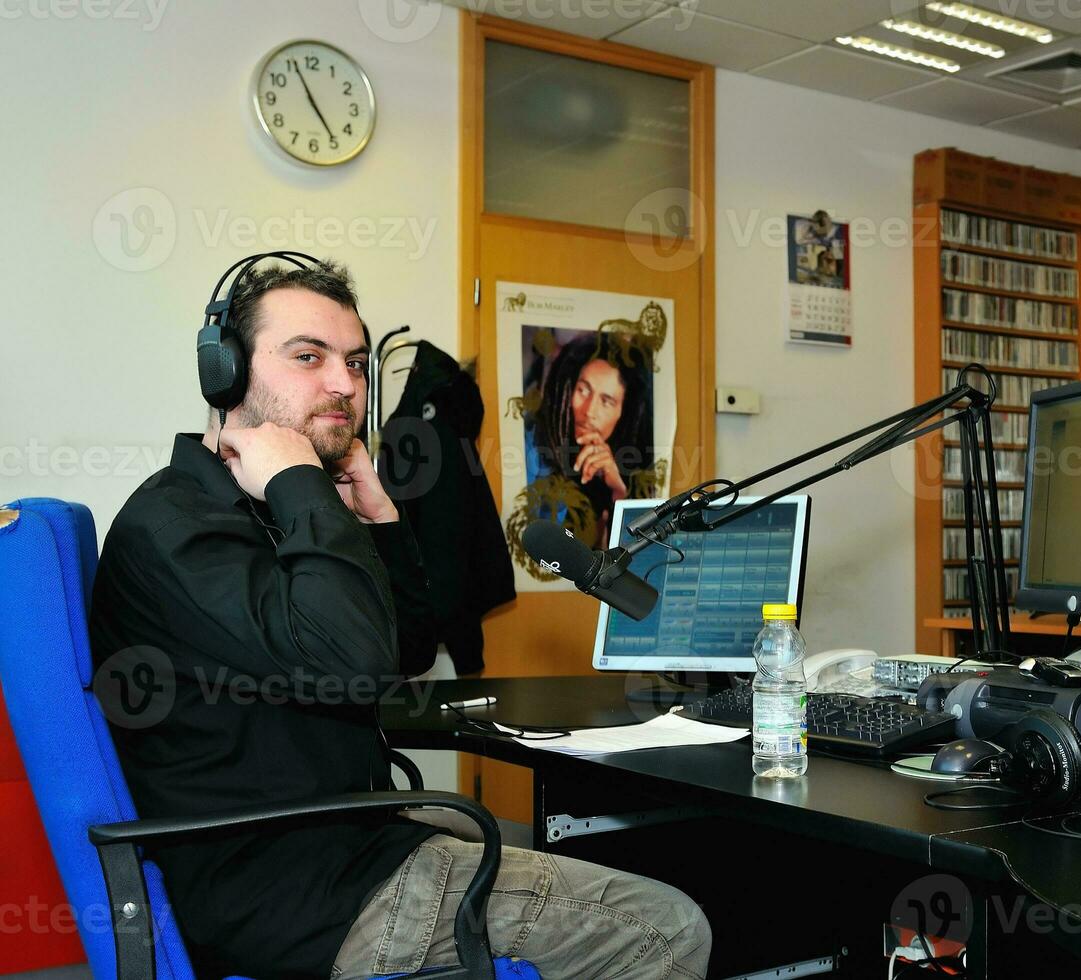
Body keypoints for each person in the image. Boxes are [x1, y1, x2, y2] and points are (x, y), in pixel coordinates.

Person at [89, 258, 710, 979]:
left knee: (551, 844)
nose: (346, 385)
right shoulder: (177, 525)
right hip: (298, 894)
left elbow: (405, 649)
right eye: (308, 357)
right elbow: (348, 660)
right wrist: (299, 483)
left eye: (354, 363)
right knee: (665, 928)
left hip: (340, 843)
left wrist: (379, 518)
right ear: (223, 373)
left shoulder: (268, 512)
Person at [525, 330, 653, 545]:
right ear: (567, 389)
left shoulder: (618, 468)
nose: (589, 411)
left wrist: (618, 492)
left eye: (607, 401)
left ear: (623, 414)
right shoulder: (531, 448)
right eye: (583, 390)